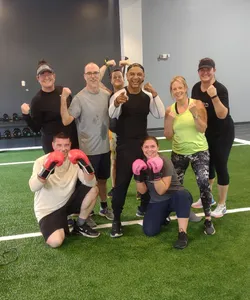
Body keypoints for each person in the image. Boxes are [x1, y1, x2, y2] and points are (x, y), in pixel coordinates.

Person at [108, 63, 165, 237]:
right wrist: (117, 103)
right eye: (131, 74)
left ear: (143, 76)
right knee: (121, 184)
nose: (135, 77)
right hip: (125, 146)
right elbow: (111, 115)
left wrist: (155, 94)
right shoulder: (119, 94)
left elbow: (160, 113)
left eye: (139, 74)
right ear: (127, 76)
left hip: (143, 147)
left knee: (148, 181)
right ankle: (116, 220)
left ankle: (145, 211)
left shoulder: (147, 96)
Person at [60, 62, 113, 220]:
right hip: (88, 151)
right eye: (89, 73)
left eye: (95, 73)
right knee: (88, 185)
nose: (92, 76)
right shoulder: (79, 98)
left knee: (103, 181)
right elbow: (66, 120)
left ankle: (104, 207)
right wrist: (63, 99)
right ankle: (87, 212)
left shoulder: (106, 95)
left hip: (105, 148)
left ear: (99, 74)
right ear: (84, 76)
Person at [29, 132, 100, 248]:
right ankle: (62, 222)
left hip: (67, 203)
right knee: (56, 242)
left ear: (70, 145)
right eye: (59, 145)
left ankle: (80, 225)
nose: (63, 149)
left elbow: (91, 182)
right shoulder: (41, 161)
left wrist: (86, 166)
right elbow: (33, 187)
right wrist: (46, 170)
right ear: (53, 145)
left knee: (93, 189)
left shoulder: (74, 161)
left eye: (66, 145)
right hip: (48, 210)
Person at [164, 76, 215, 235]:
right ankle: (183, 212)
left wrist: (194, 115)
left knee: (203, 182)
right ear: (171, 92)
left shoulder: (197, 104)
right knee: (176, 187)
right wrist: (169, 121)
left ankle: (208, 218)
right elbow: (167, 135)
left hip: (199, 151)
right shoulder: (169, 110)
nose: (178, 91)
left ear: (185, 88)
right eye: (174, 89)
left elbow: (202, 129)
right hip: (179, 152)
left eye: (180, 88)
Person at [191, 58, 235, 218]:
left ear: (214, 70)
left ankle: (222, 204)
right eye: (202, 70)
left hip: (223, 132)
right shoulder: (196, 88)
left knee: (220, 164)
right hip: (207, 132)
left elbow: (223, 115)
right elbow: (197, 110)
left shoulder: (220, 89)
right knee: (207, 165)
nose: (205, 72)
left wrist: (214, 96)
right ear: (198, 72)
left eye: (208, 69)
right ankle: (208, 199)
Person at [132, 136, 192, 249]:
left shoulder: (165, 162)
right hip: (158, 201)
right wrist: (138, 177)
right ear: (142, 148)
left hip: (175, 197)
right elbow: (142, 191)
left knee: (182, 194)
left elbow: (161, 190)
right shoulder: (141, 164)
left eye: (153, 146)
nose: (150, 150)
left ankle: (182, 233)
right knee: (149, 231)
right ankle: (165, 215)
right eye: (146, 147)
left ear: (158, 147)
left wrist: (156, 174)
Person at [21, 60, 78, 154]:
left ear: (54, 76)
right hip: (53, 146)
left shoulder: (64, 91)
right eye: (42, 75)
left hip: (71, 142)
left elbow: (74, 114)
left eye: (49, 74)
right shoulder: (37, 101)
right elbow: (36, 128)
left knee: (75, 169)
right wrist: (26, 115)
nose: (46, 77)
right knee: (55, 169)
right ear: (38, 78)